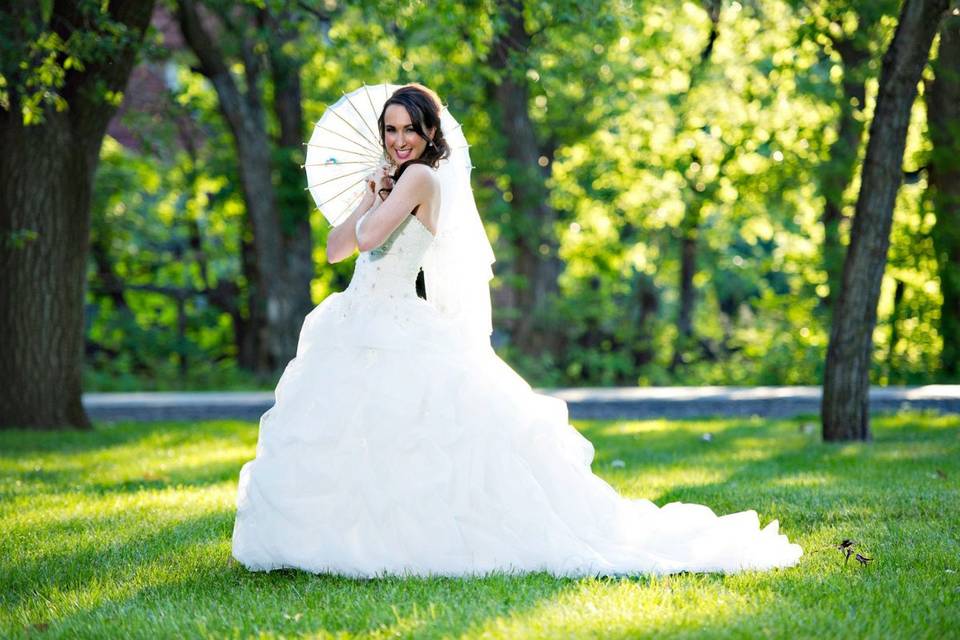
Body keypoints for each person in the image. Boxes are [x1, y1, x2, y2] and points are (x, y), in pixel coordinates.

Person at [230, 83, 803, 578]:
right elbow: (336, 249)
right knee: (350, 436)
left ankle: (411, 541)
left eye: (409, 129)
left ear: (430, 134)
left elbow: (372, 238)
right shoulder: (389, 181)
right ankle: (335, 539)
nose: (398, 140)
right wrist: (366, 191)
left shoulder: (423, 180)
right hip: (355, 319)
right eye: (390, 130)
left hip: (396, 319)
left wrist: (379, 193)